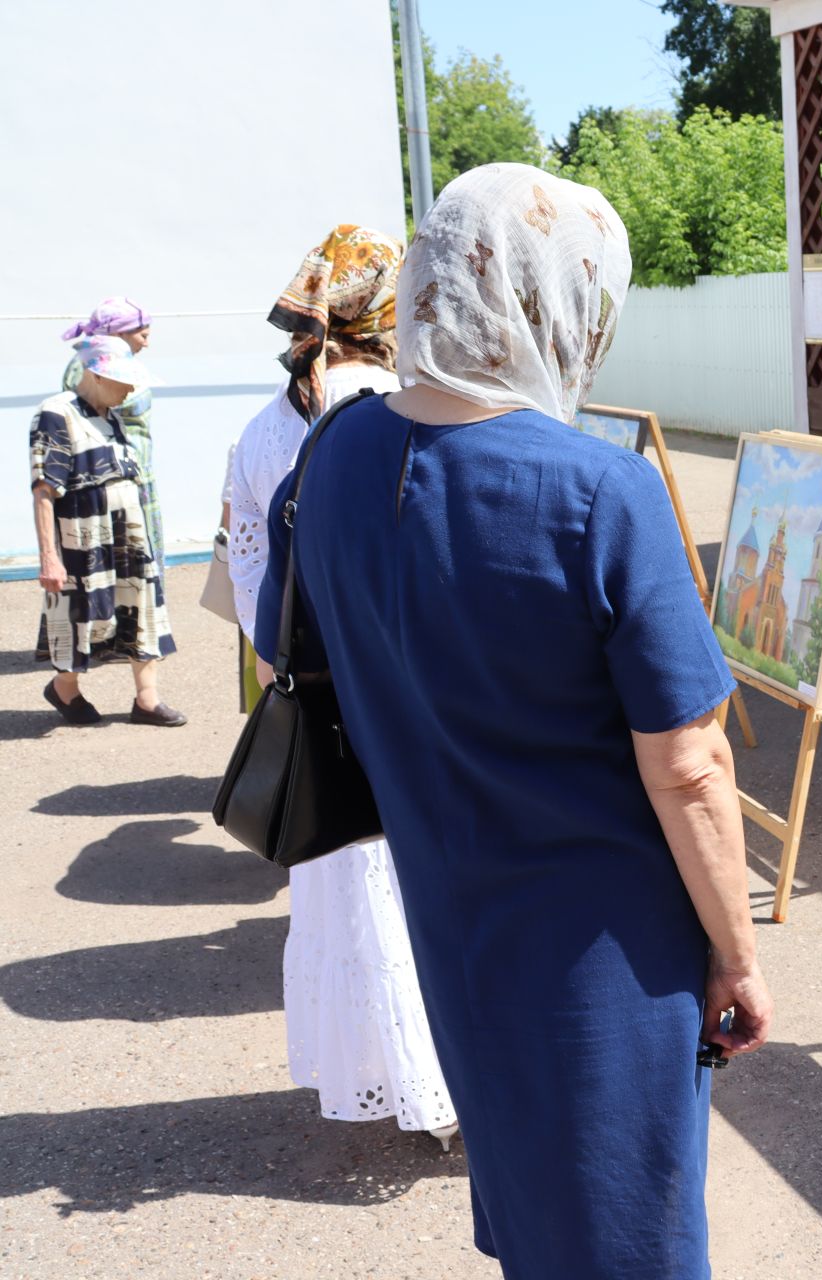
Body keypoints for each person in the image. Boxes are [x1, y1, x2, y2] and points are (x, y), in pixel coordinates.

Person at [254, 164, 772, 1277]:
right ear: (562, 301)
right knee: (629, 1228)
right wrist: (737, 952)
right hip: (607, 950)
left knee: (540, 1207)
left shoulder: (329, 456)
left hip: (452, 913)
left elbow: (282, 649)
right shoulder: (601, 491)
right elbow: (690, 766)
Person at [226, 226, 459, 1149]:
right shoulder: (391, 409)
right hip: (402, 707)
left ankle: (381, 1077)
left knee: (349, 898)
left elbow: (249, 572)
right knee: (415, 896)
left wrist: (284, 665)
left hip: (318, 703)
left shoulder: (264, 423)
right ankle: (440, 1089)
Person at [32, 335, 183, 726]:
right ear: (97, 375)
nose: (131, 388)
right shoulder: (56, 413)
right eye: (123, 380)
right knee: (80, 615)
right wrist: (49, 556)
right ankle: (65, 688)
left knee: (142, 611)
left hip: (127, 535)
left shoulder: (113, 416)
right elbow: (45, 490)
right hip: (82, 537)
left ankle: (147, 699)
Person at [61, 299, 166, 591]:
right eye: (142, 335)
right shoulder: (86, 369)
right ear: (117, 335)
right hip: (109, 478)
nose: (146, 343)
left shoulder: (121, 366)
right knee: (124, 564)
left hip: (134, 474)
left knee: (142, 560)